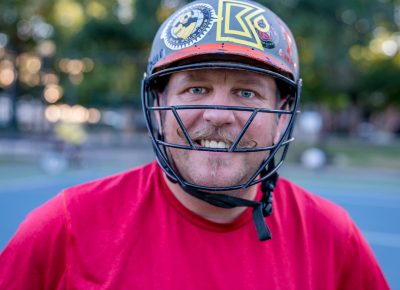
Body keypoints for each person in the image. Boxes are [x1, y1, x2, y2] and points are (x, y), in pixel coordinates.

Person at [0, 0, 390, 289]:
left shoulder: (334, 238)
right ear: (159, 106)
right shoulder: (63, 228)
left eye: (247, 93)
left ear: (282, 112)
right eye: (196, 89)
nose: (218, 114)